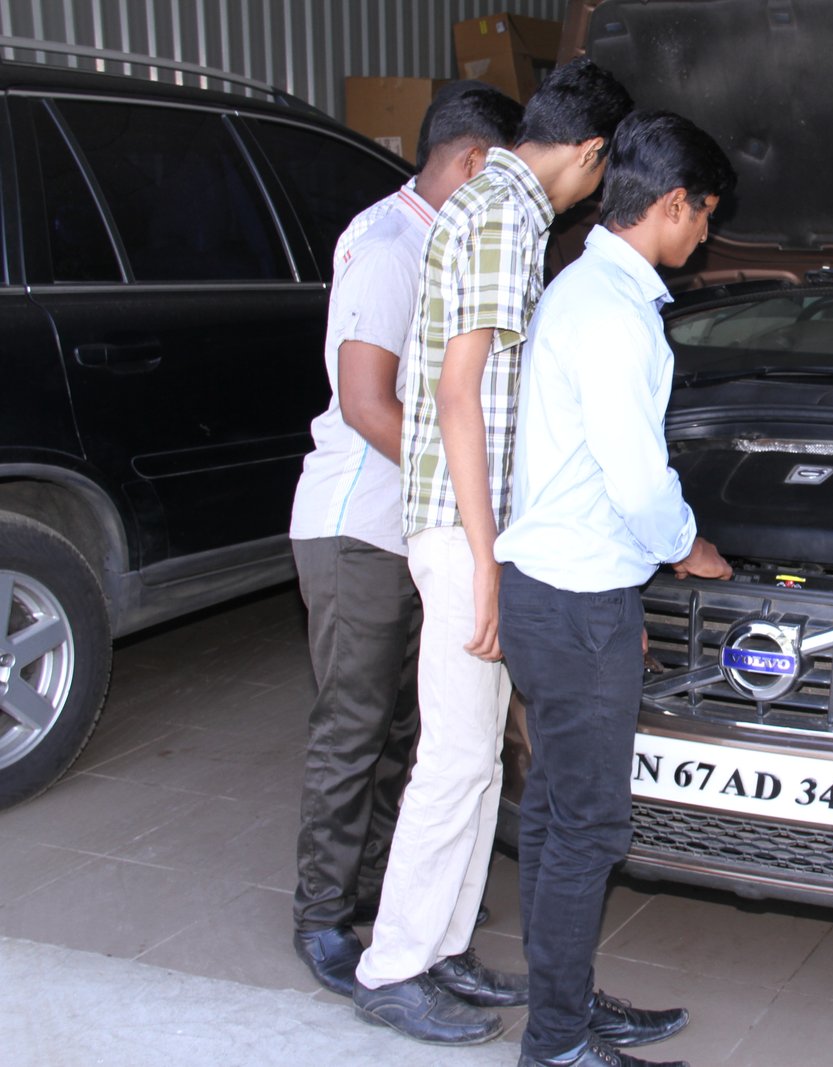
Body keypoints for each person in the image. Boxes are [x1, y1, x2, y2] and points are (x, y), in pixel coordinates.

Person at [350, 58, 634, 1046]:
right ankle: (393, 964)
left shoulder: (493, 205)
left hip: (470, 524)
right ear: (593, 155)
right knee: (458, 756)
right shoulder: (508, 216)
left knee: (472, 762)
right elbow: (461, 394)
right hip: (461, 527)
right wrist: (483, 556)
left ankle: (439, 948)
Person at [494, 109, 738, 1067]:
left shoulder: (586, 288)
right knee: (586, 823)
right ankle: (556, 1043)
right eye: (704, 216)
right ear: (672, 203)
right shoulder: (613, 314)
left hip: (557, 592)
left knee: (557, 813)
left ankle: (567, 1000)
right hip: (574, 600)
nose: (705, 237)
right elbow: (637, 480)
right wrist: (689, 547)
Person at [287, 85, 522, 997]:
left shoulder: (440, 237)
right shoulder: (391, 245)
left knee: (409, 729)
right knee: (353, 726)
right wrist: (470, 505)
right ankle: (320, 915)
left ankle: (391, 897)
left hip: (415, 525)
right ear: (471, 163)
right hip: (360, 526)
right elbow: (365, 401)